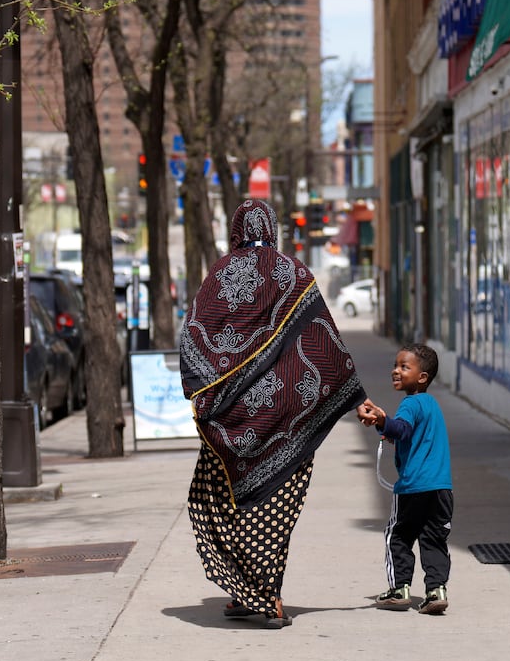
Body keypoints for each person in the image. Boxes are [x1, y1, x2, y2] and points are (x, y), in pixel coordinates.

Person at [180, 199, 367, 628]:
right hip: (285, 420)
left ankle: (258, 594)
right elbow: (324, 338)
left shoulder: (219, 274)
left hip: (231, 422)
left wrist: (202, 391)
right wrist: (355, 396)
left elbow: (193, 336)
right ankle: (258, 593)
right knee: (274, 510)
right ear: (273, 227)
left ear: (236, 229)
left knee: (224, 503)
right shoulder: (293, 273)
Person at [357, 342, 453, 615]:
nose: (395, 371)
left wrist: (381, 421)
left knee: (397, 536)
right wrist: (388, 429)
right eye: (395, 366)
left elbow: (401, 427)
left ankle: (399, 588)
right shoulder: (431, 404)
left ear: (422, 377)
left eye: (404, 367)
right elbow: (409, 435)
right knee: (434, 539)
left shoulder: (409, 404)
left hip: (413, 488)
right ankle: (436, 590)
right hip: (442, 489)